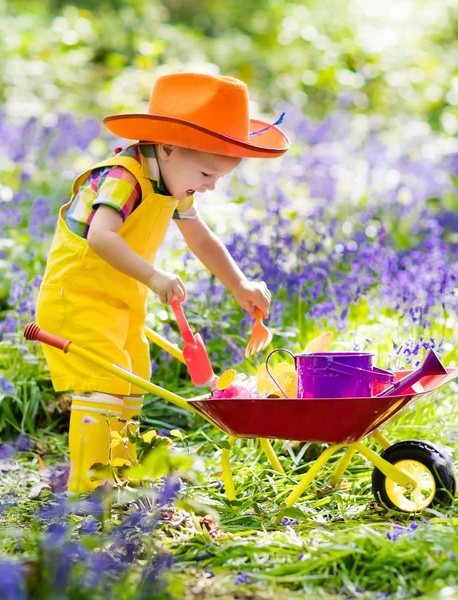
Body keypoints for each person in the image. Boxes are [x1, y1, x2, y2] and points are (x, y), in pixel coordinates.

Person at [35, 72, 290, 493]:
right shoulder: (124, 177)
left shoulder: (171, 178)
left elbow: (200, 236)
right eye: (207, 173)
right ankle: (88, 490)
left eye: (218, 179)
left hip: (121, 301)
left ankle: (118, 477)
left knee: (132, 383)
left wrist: (239, 283)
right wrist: (154, 276)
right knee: (104, 388)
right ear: (169, 148)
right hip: (76, 298)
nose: (210, 186)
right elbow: (101, 236)